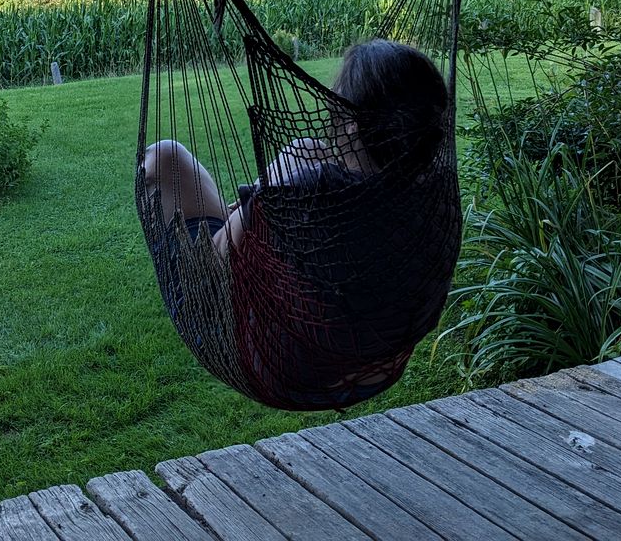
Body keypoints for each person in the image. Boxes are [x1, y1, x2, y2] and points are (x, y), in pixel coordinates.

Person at [140, 37, 454, 408]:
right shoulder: (435, 192)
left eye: (335, 99)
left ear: (352, 125)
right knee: (282, 170)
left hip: (283, 366)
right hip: (374, 366)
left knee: (163, 158)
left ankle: (217, 197)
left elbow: (211, 261)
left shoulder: (312, 190)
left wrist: (273, 179)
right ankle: (245, 209)